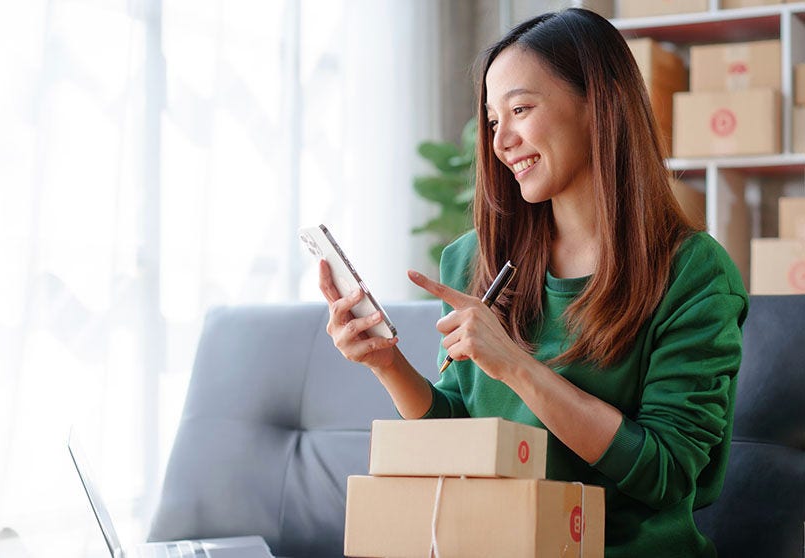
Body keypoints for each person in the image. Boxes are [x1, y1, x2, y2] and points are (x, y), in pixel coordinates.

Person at [317, 8, 748, 558]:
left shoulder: (693, 273)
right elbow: (460, 436)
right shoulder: (476, 258)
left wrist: (517, 365)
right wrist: (386, 363)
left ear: (600, 102)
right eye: (495, 120)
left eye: (520, 109)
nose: (502, 141)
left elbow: (664, 472)